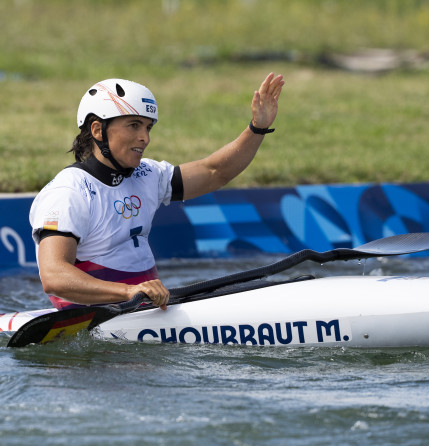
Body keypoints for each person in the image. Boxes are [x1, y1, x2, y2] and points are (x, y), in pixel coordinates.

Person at [29, 73, 284, 311]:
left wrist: (257, 129)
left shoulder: (148, 175)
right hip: (91, 319)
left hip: (143, 309)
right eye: (134, 125)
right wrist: (129, 292)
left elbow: (215, 172)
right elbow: (54, 277)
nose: (145, 138)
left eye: (148, 128)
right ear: (97, 130)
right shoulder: (69, 192)